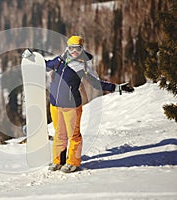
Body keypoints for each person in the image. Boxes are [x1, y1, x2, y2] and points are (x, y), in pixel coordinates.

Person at [23, 35, 134, 173]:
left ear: (81, 49)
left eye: (77, 48)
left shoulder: (83, 65)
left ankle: (73, 162)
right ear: (67, 48)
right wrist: (31, 57)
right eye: (71, 48)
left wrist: (117, 88)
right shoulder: (58, 61)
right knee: (59, 134)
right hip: (55, 105)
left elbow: (96, 83)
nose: (74, 51)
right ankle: (58, 160)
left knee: (73, 136)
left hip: (72, 106)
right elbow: (43, 65)